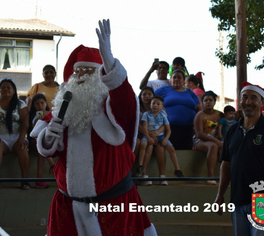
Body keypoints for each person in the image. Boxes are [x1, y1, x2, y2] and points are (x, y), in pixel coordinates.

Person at [30, 20, 157, 236]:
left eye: (90, 73)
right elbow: (47, 148)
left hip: (113, 207)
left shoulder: (114, 108)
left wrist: (109, 61)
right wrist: (48, 138)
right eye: (79, 73)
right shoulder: (64, 107)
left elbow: (124, 98)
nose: (83, 79)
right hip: (68, 208)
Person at [214, 82, 264, 236]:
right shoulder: (232, 131)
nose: (248, 101)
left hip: (263, 200)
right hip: (237, 199)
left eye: (253, 98)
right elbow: (226, 165)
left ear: (262, 102)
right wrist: (220, 195)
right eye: (244, 97)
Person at [0, 78, 30, 190]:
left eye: (9, 87)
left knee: (23, 148)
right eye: (3, 88)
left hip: (17, 137)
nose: (6, 90)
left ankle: (25, 181)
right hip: (0, 138)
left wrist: (21, 138)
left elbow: (25, 123)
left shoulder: (21, 104)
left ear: (14, 90)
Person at [139, 96, 184, 185]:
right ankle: (142, 171)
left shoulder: (163, 115)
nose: (155, 105)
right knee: (146, 146)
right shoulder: (145, 114)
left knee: (168, 149)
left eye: (158, 104)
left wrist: (164, 138)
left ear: (162, 107)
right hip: (148, 136)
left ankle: (175, 171)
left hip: (160, 137)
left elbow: (168, 129)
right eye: (153, 103)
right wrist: (149, 137)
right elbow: (143, 127)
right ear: (150, 105)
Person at [155, 69, 201, 150]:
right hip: (169, 129)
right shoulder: (164, 89)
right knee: (170, 153)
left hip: (188, 129)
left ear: (184, 80)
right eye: (174, 77)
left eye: (179, 77)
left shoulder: (190, 92)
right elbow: (148, 97)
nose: (176, 79)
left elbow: (199, 109)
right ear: (171, 80)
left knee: (185, 153)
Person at [134, 87, 166, 186]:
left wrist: (155, 133)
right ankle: (144, 175)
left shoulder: (161, 108)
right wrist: (148, 135)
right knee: (147, 145)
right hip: (142, 135)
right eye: (144, 94)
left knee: (160, 149)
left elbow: (165, 124)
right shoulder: (137, 108)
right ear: (141, 97)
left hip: (157, 135)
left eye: (149, 94)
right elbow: (137, 125)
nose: (147, 96)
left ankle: (162, 176)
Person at [193, 91, 223, 184]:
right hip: (201, 140)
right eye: (206, 100)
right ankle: (211, 177)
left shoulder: (220, 114)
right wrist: (216, 141)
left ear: (214, 102)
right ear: (202, 103)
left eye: (210, 100)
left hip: (217, 138)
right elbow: (199, 134)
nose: (208, 102)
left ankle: (228, 176)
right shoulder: (200, 115)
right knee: (213, 146)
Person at [28, 93, 54, 189]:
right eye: (37, 104)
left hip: (50, 140)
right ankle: (52, 165)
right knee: (40, 147)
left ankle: (39, 180)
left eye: (42, 103)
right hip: (36, 141)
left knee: (41, 149)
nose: (40, 106)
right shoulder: (32, 116)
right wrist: (36, 123)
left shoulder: (51, 113)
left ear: (45, 103)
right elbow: (33, 133)